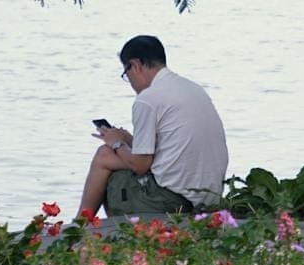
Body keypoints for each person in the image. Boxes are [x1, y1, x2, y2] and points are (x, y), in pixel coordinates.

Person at [77, 35, 228, 219]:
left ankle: (80, 226)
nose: (129, 81)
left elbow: (140, 166)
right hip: (207, 199)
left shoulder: (147, 99)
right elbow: (167, 151)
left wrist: (116, 143)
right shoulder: (192, 88)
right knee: (111, 156)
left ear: (136, 65)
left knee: (105, 156)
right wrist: (128, 140)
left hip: (172, 201)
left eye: (126, 74)